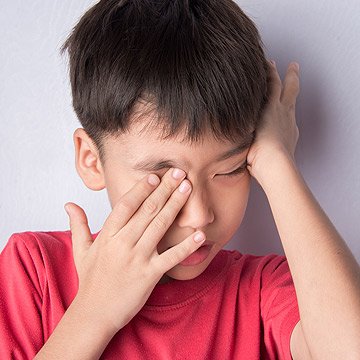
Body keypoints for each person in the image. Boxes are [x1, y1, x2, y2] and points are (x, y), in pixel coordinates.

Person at [1, 0, 359, 359]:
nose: (199, 215)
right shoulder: (35, 272)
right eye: (164, 177)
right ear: (92, 160)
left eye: (230, 169)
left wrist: (276, 161)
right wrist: (94, 312)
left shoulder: (265, 292)